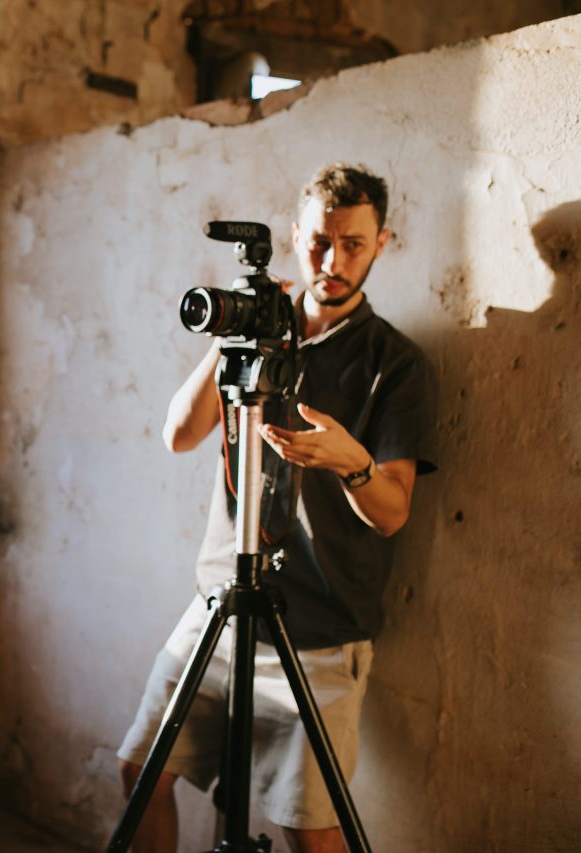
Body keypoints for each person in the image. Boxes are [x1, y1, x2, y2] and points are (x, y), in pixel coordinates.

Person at [116, 164, 437, 853]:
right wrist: (234, 333)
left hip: (318, 628)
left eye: (353, 244)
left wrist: (351, 461)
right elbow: (179, 434)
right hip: (219, 603)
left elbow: (392, 512)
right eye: (319, 242)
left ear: (382, 243)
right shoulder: (261, 333)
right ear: (295, 236)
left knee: (309, 828)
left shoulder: (393, 362)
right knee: (140, 773)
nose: (332, 261)